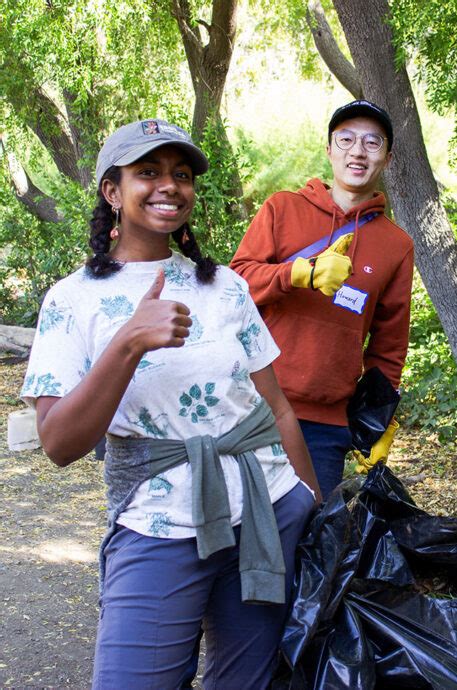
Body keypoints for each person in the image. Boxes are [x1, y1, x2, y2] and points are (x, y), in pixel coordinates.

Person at [21, 118, 322, 690]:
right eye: (148, 172)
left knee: (247, 681)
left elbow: (276, 405)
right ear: (113, 191)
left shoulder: (225, 286)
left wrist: (311, 500)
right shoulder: (72, 300)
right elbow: (59, 444)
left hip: (266, 511)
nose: (169, 186)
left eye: (180, 174)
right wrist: (129, 341)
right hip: (157, 525)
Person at [230, 100, 414, 499]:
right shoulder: (283, 208)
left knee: (305, 545)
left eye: (372, 142)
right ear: (329, 150)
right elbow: (235, 284)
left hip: (325, 425)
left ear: (387, 157)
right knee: (232, 542)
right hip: (250, 405)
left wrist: (377, 419)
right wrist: (298, 273)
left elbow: (389, 347)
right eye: (345, 140)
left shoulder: (396, 245)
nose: (357, 151)